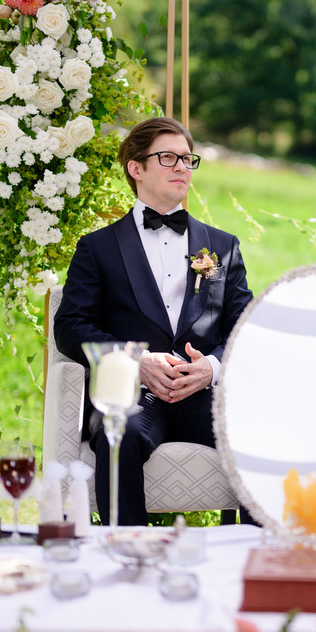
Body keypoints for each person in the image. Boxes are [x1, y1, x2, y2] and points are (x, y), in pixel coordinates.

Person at [55, 116, 253, 525]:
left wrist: (211, 368)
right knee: (118, 435)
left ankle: (252, 562)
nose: (182, 166)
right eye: (168, 157)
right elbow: (70, 326)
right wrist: (135, 361)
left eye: (187, 159)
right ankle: (126, 557)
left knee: (258, 434)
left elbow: (244, 326)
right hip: (130, 392)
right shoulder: (98, 248)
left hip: (203, 395)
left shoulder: (222, 247)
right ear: (136, 168)